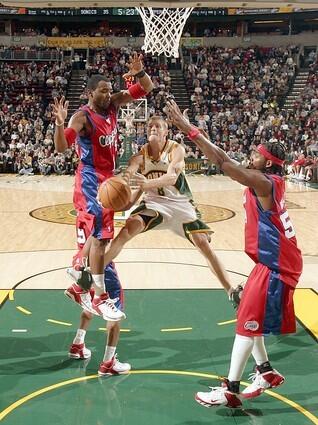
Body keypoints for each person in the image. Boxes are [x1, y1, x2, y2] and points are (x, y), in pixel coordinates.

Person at [166, 100, 303, 408]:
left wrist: (188, 130)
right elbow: (226, 159)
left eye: (255, 153)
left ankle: (230, 390)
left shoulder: (265, 182)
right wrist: (192, 131)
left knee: (245, 325)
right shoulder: (265, 179)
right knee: (244, 311)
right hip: (270, 262)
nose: (249, 155)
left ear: (267, 163)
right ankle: (265, 371)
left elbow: (225, 165)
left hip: (278, 266)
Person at [53, 52, 154, 376]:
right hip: (90, 179)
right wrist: (58, 123)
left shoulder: (113, 106)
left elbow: (145, 89)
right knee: (101, 236)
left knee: (97, 238)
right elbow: (61, 147)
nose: (108, 94)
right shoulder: (82, 117)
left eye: (111, 90)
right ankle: (95, 292)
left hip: (108, 178)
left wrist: (138, 73)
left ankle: (80, 283)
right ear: (90, 93)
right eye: (103, 91)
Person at [102, 115, 237, 302]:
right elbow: (129, 174)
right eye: (150, 126)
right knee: (128, 229)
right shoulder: (140, 156)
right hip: (154, 203)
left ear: (166, 132)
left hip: (180, 204)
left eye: (158, 126)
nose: (153, 129)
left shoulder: (176, 149)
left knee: (203, 244)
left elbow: (171, 178)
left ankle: (231, 291)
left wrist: (146, 183)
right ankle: (92, 272)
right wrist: (118, 190)